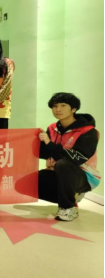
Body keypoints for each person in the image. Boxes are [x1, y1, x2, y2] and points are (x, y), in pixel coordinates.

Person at [38, 93, 100, 222]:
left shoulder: (88, 131)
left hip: (84, 176)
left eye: (63, 105)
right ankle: (71, 197)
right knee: (26, 182)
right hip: (58, 171)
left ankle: (68, 207)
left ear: (73, 109)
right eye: (55, 106)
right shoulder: (52, 128)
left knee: (63, 163)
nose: (58, 109)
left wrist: (49, 143)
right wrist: (36, 142)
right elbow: (46, 153)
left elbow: (77, 158)